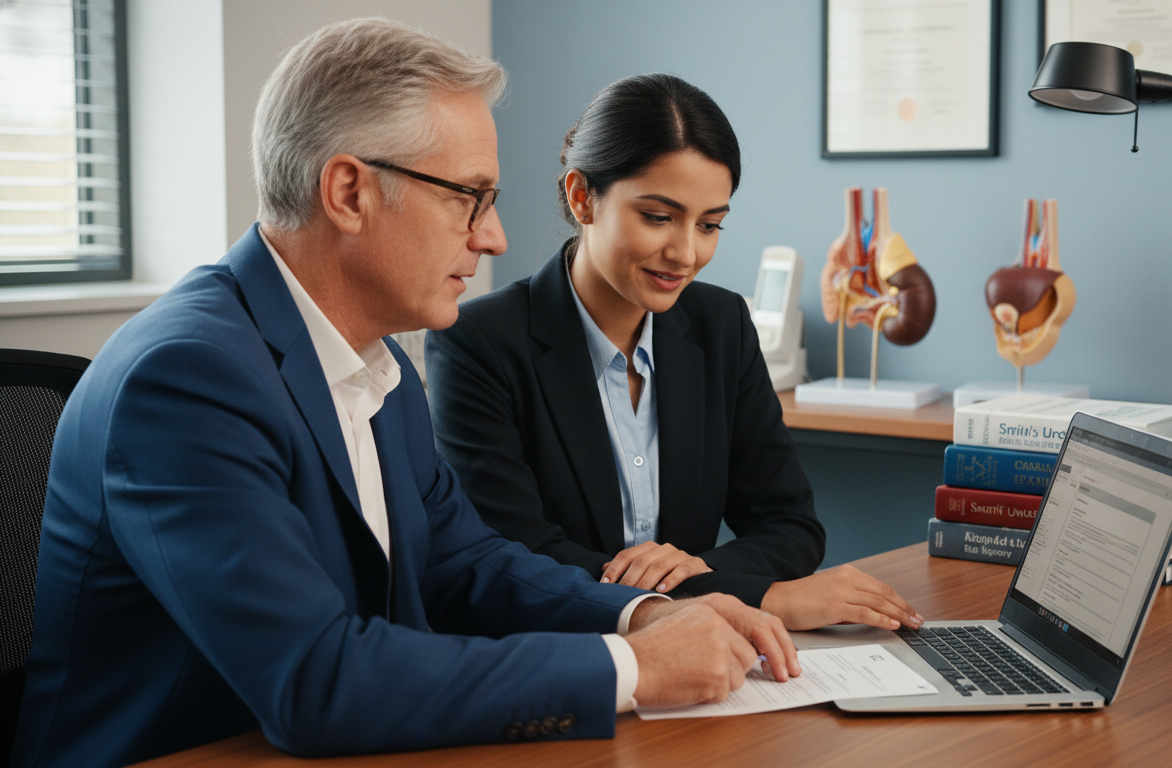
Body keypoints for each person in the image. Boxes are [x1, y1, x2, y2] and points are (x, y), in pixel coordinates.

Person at [11, 20, 799, 768]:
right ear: (350, 193)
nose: (491, 237)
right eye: (470, 198)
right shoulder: (186, 379)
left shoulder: (378, 362)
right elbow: (315, 680)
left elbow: (466, 562)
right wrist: (630, 667)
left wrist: (647, 614)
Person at [424, 74, 923, 633]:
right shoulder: (477, 340)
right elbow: (520, 558)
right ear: (582, 197)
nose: (685, 253)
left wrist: (697, 571)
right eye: (658, 217)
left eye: (710, 225)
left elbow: (790, 525)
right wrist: (762, 598)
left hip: (701, 662)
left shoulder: (722, 325)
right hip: (563, 660)